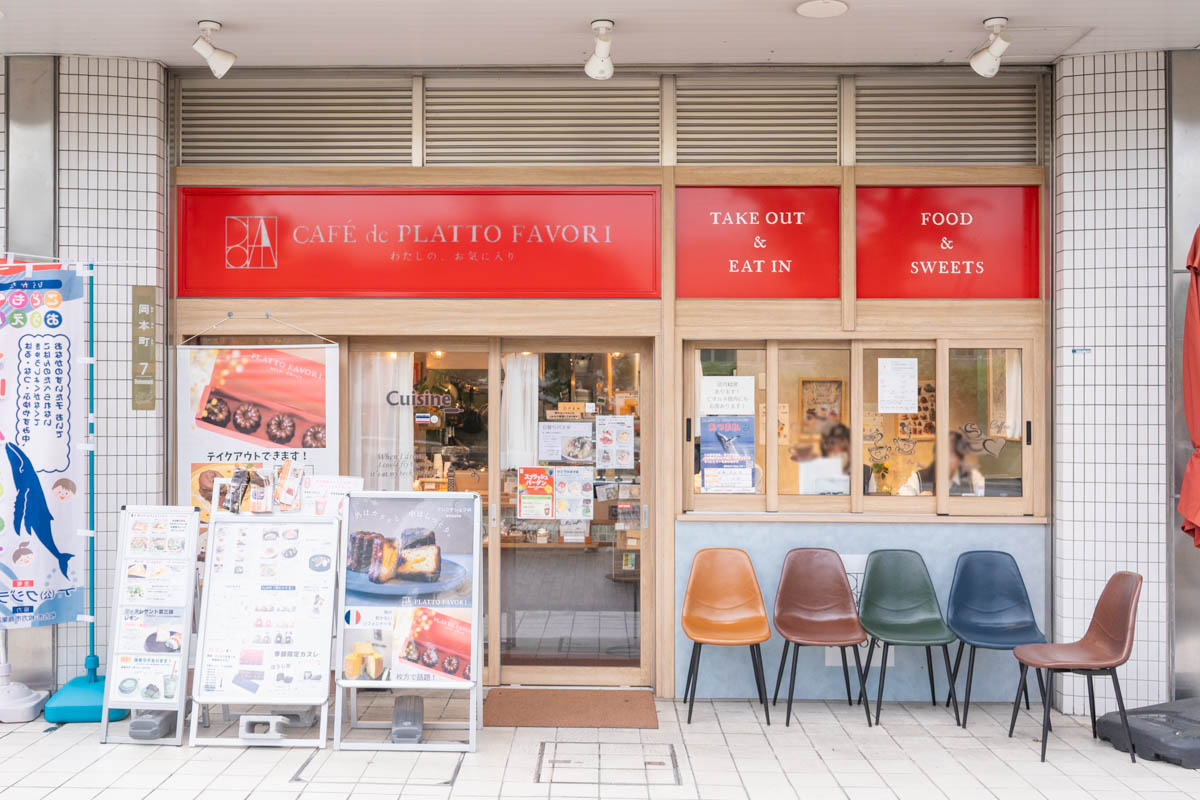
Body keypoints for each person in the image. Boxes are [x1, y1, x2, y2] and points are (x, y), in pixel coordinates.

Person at [898, 431, 984, 496]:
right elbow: (903, 498)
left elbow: (986, 494)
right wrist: (918, 502)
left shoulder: (972, 477)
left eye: (952, 455)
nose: (946, 459)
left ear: (960, 459)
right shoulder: (919, 478)